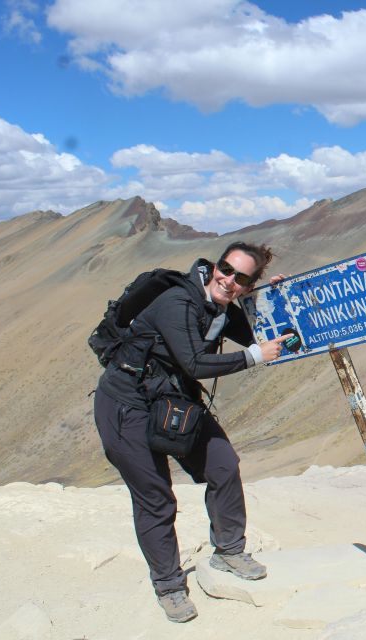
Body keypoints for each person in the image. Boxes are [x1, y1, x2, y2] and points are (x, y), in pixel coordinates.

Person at [92, 241, 290, 623]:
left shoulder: (222, 308)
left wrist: (267, 299)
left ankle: (229, 550)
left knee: (223, 465)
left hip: (172, 401)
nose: (229, 280)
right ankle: (169, 586)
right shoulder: (177, 302)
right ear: (215, 265)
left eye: (242, 279)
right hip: (125, 405)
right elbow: (196, 363)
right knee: (156, 498)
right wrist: (254, 357)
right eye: (226, 269)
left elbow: (255, 334)